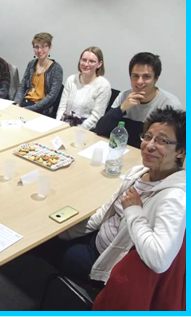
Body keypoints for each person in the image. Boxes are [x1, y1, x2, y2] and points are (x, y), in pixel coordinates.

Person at [58, 107, 186, 285]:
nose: (150, 145)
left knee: (62, 256)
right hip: (100, 239)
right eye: (148, 137)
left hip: (109, 264)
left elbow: (160, 261)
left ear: (181, 151)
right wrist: (65, 234)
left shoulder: (174, 197)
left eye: (162, 140)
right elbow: (105, 212)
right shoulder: (138, 172)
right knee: (54, 239)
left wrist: (134, 211)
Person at [95, 52, 182, 147]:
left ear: (156, 79)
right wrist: (121, 108)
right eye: (135, 76)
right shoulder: (124, 95)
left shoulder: (169, 104)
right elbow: (100, 129)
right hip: (121, 150)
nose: (139, 81)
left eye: (146, 77)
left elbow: (170, 145)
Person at [56, 47, 111, 130]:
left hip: (85, 130)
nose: (86, 64)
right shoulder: (71, 80)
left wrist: (76, 130)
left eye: (92, 61)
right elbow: (62, 108)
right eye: (84, 60)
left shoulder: (103, 86)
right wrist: (59, 125)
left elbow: (95, 118)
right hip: (64, 125)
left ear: (99, 64)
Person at [14, 32, 63, 115]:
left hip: (42, 109)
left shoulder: (56, 69)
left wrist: (29, 109)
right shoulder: (31, 64)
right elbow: (22, 86)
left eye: (43, 46)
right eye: (36, 47)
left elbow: (52, 97)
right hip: (24, 103)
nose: (40, 50)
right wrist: (17, 103)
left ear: (50, 47)